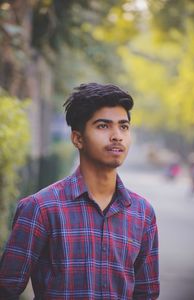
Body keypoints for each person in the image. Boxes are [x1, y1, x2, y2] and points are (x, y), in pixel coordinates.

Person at [0, 83, 159, 299]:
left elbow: (146, 293)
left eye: (124, 126)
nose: (117, 136)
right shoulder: (40, 208)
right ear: (77, 138)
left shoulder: (142, 213)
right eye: (103, 126)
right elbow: (6, 289)